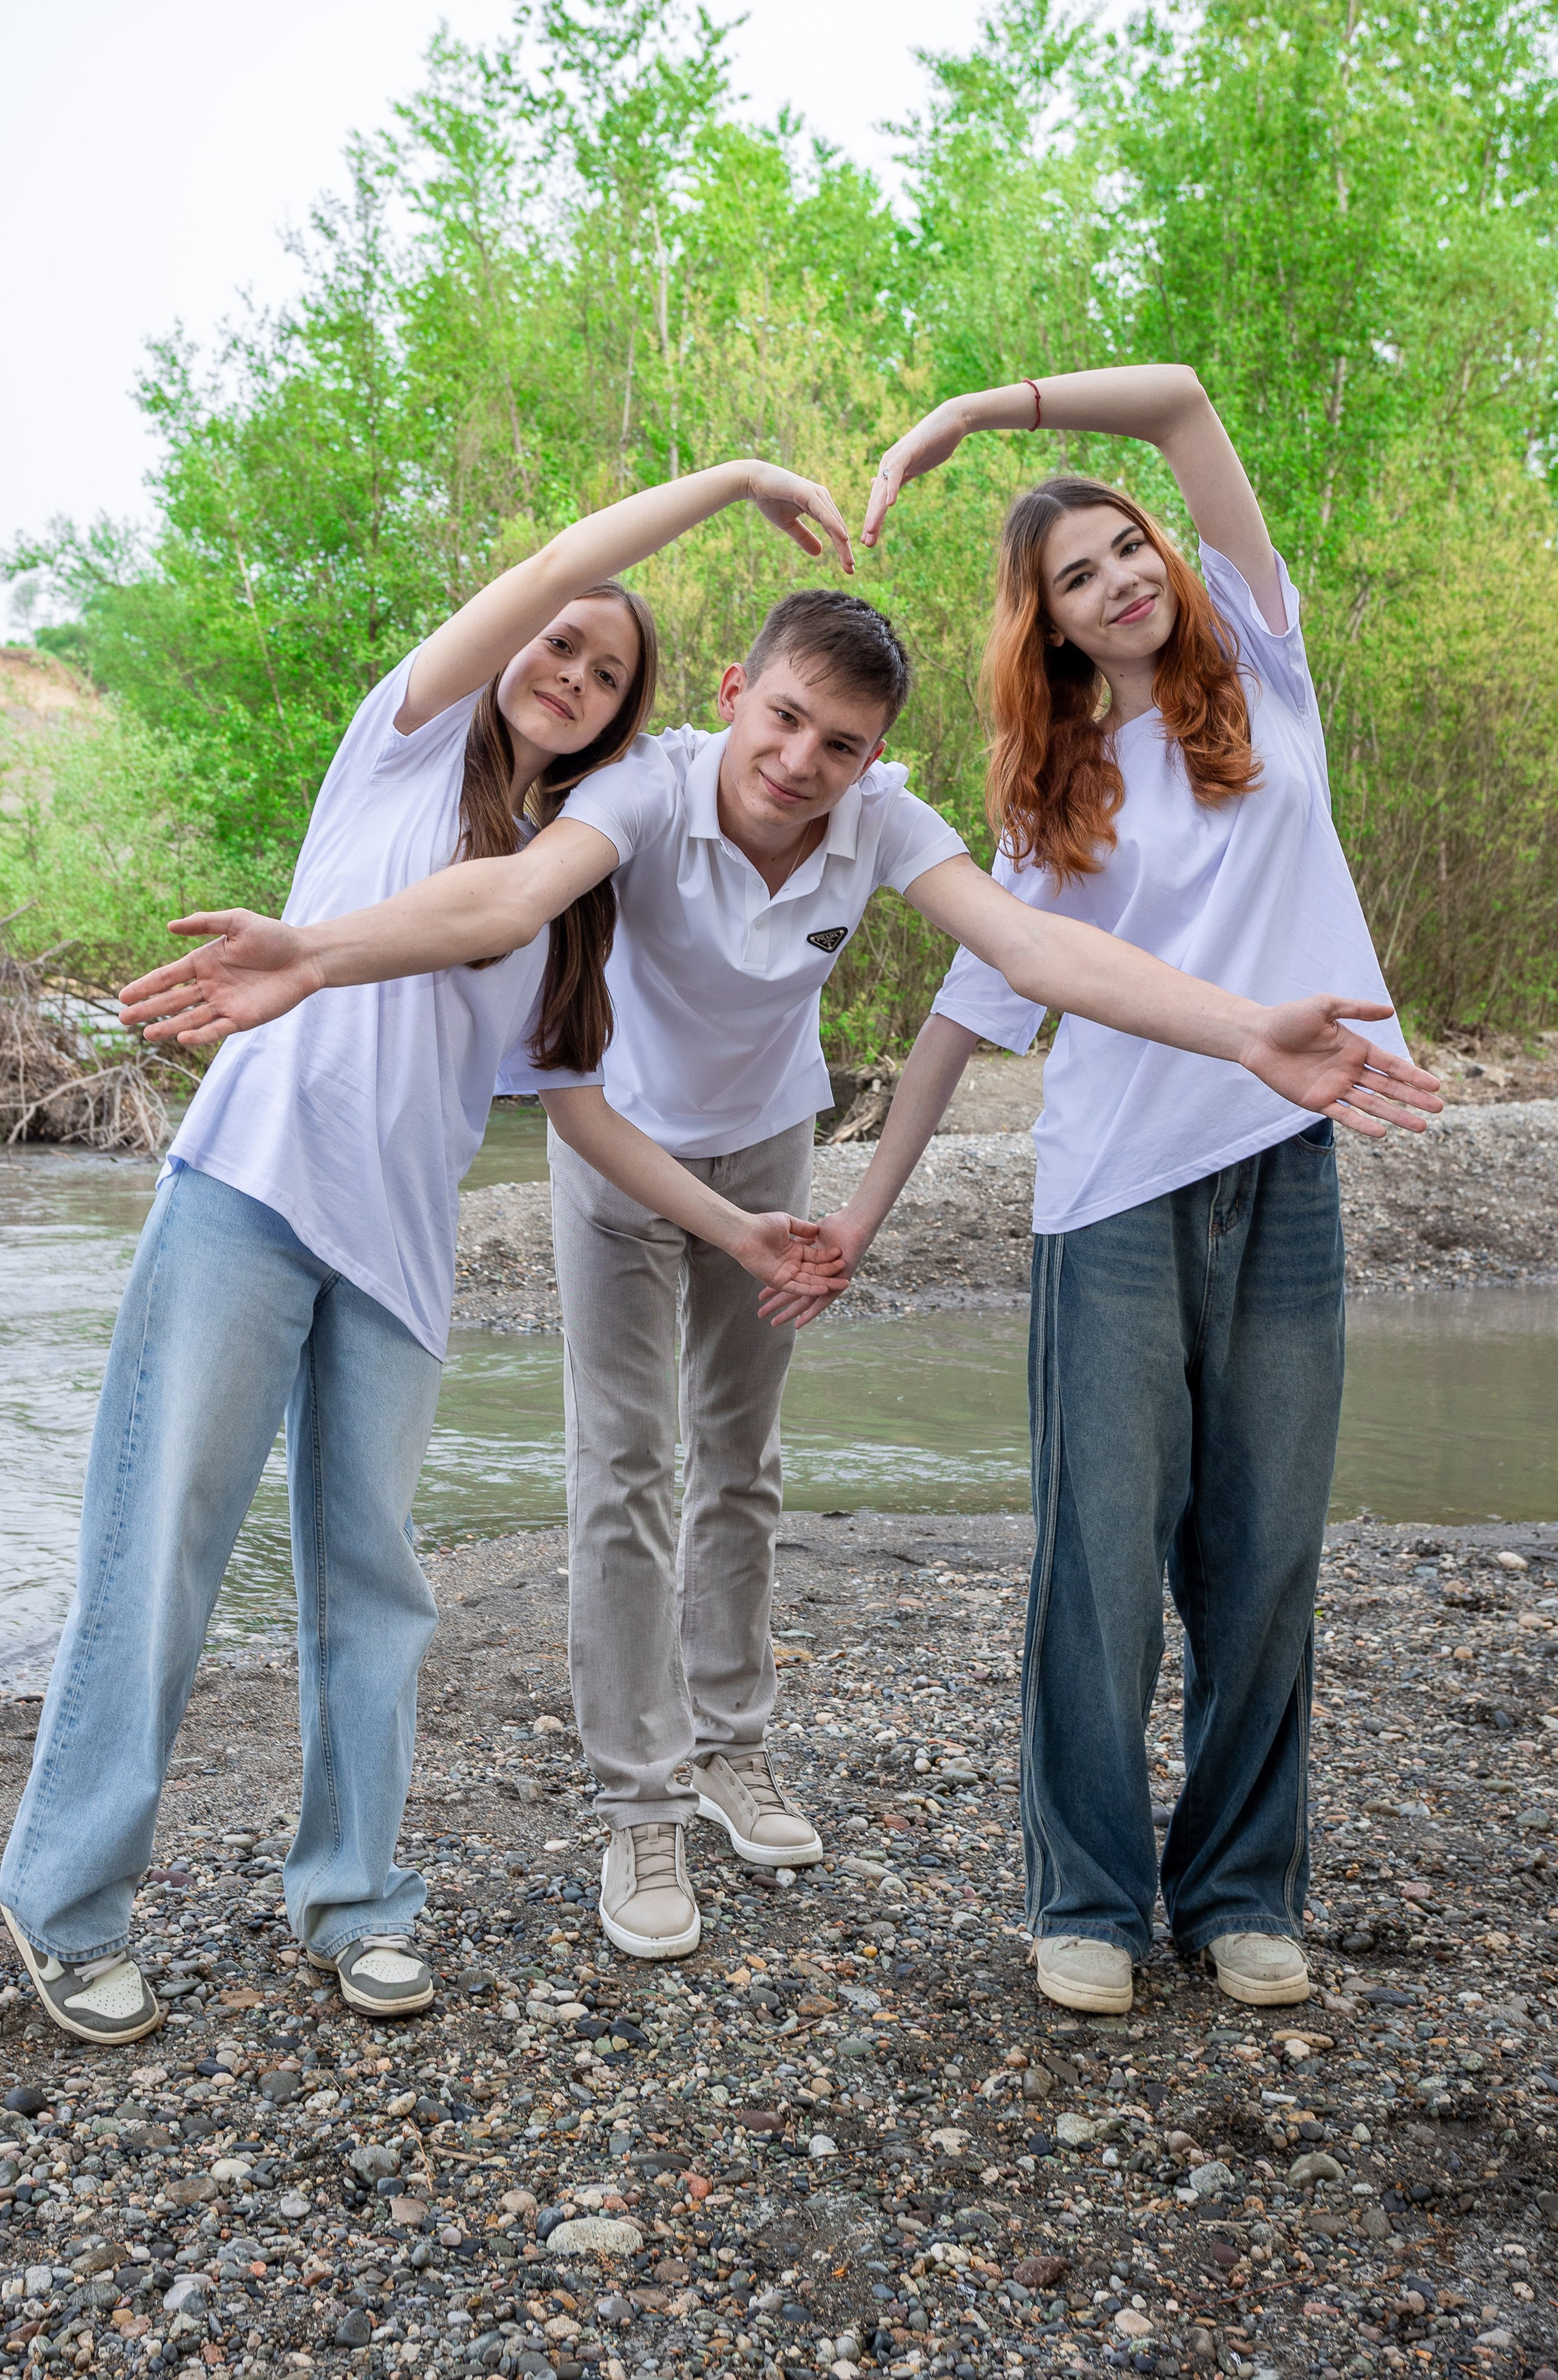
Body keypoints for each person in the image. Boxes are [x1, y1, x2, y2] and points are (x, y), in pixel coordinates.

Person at [122, 482, 1437, 1972]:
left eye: (842, 747)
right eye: (785, 722)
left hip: (766, 1147)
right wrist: (312, 952)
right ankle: (640, 1807)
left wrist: (1244, 1031)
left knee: (737, 1468)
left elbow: (1029, 950)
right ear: (736, 694)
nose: (802, 764)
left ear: (875, 761)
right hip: (610, 1143)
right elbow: (503, 903)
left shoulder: (874, 821)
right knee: (621, 1469)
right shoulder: (643, 790)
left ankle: (731, 1746)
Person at [0, 458, 857, 2045]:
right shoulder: (393, 749)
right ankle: (66, 1901)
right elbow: (553, 569)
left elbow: (579, 1116)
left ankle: (353, 1900)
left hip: (399, 1258)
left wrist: (742, 1226)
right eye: (559, 647)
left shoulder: (553, 892)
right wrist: (729, 482)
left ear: (616, 718)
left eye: (606, 675)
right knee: (164, 1546)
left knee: (374, 1588)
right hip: (248, 1195)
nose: (572, 673)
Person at [809, 360, 1438, 2017]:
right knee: (1098, 1560)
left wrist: (964, 419)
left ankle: (1236, 1889)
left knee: (1262, 1554)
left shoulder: (1271, 672)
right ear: (1056, 631)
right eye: (1076, 577)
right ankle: (1083, 1897)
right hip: (1105, 1200)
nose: (1119, 579)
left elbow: (1172, 400)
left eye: (1124, 548)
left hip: (1282, 1173)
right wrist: (860, 1217)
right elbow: (970, 1013)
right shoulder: (1053, 792)